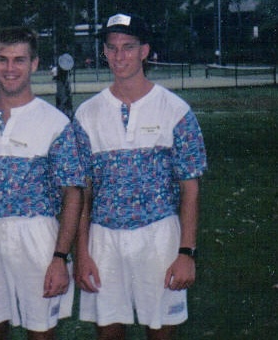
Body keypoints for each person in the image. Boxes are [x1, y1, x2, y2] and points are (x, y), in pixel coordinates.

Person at [73, 13, 207, 340]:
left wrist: (186, 253)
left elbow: (189, 188)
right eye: (112, 48)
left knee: (161, 331)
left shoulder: (174, 110)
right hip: (104, 238)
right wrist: (82, 253)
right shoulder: (86, 113)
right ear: (104, 52)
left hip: (159, 236)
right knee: (108, 332)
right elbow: (82, 191)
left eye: (128, 47)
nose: (119, 56)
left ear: (144, 51)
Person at [0, 26, 84, 340]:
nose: (10, 68)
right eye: (3, 59)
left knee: (40, 332)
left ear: (34, 64)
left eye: (19, 60)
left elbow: (73, 194)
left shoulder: (55, 123)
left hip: (38, 238)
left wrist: (59, 257)